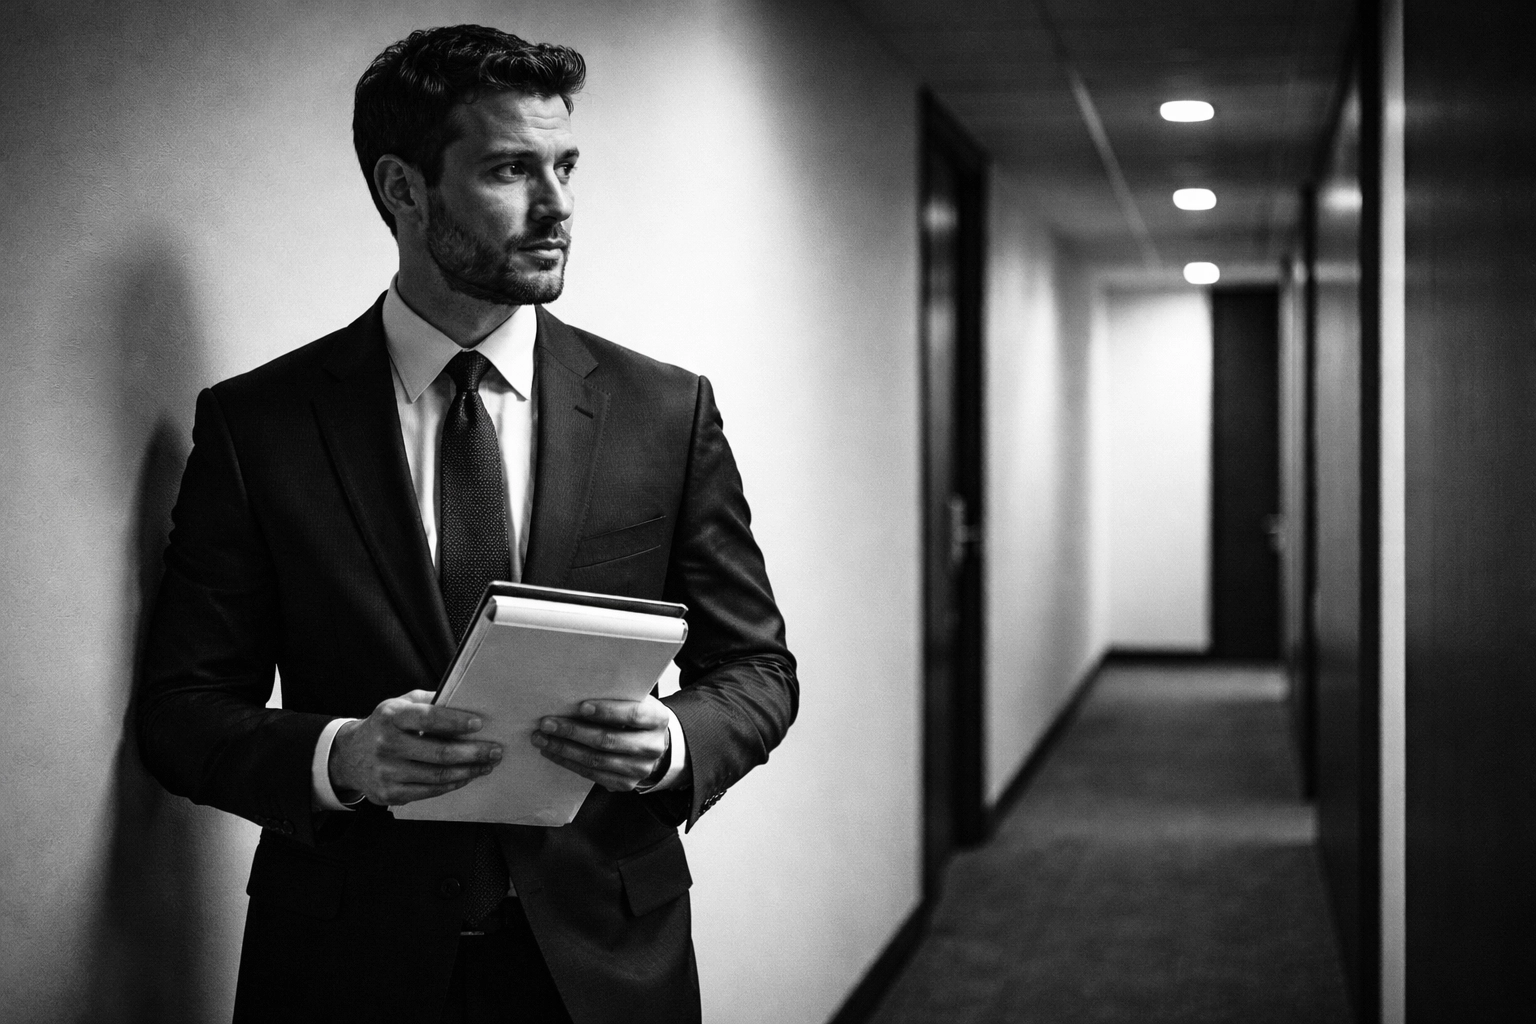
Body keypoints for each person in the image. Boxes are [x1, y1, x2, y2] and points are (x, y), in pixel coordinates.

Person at [136, 24, 797, 1024]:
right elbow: (181, 712)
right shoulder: (258, 427)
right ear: (405, 189)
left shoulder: (665, 412)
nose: (559, 204)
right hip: (348, 962)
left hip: (609, 957)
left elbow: (759, 669)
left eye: (566, 165)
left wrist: (669, 739)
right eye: (509, 170)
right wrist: (341, 755)